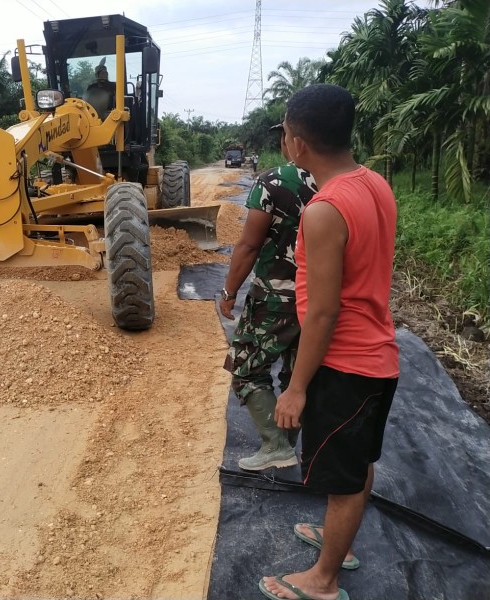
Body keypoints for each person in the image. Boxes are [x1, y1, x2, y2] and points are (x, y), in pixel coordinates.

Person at [259, 84, 399, 600]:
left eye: (285, 135)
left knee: (343, 481)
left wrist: (297, 387)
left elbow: (322, 310)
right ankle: (336, 543)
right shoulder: (375, 185)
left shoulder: (323, 210)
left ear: (297, 144)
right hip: (379, 357)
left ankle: (322, 579)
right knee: (358, 463)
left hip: (346, 365)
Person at [220, 121, 318, 471]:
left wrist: (229, 291)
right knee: (296, 376)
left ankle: (276, 445)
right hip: (319, 302)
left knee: (246, 368)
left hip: (274, 299)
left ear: (293, 140)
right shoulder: (339, 183)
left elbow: (249, 245)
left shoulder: (273, 182)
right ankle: (288, 446)